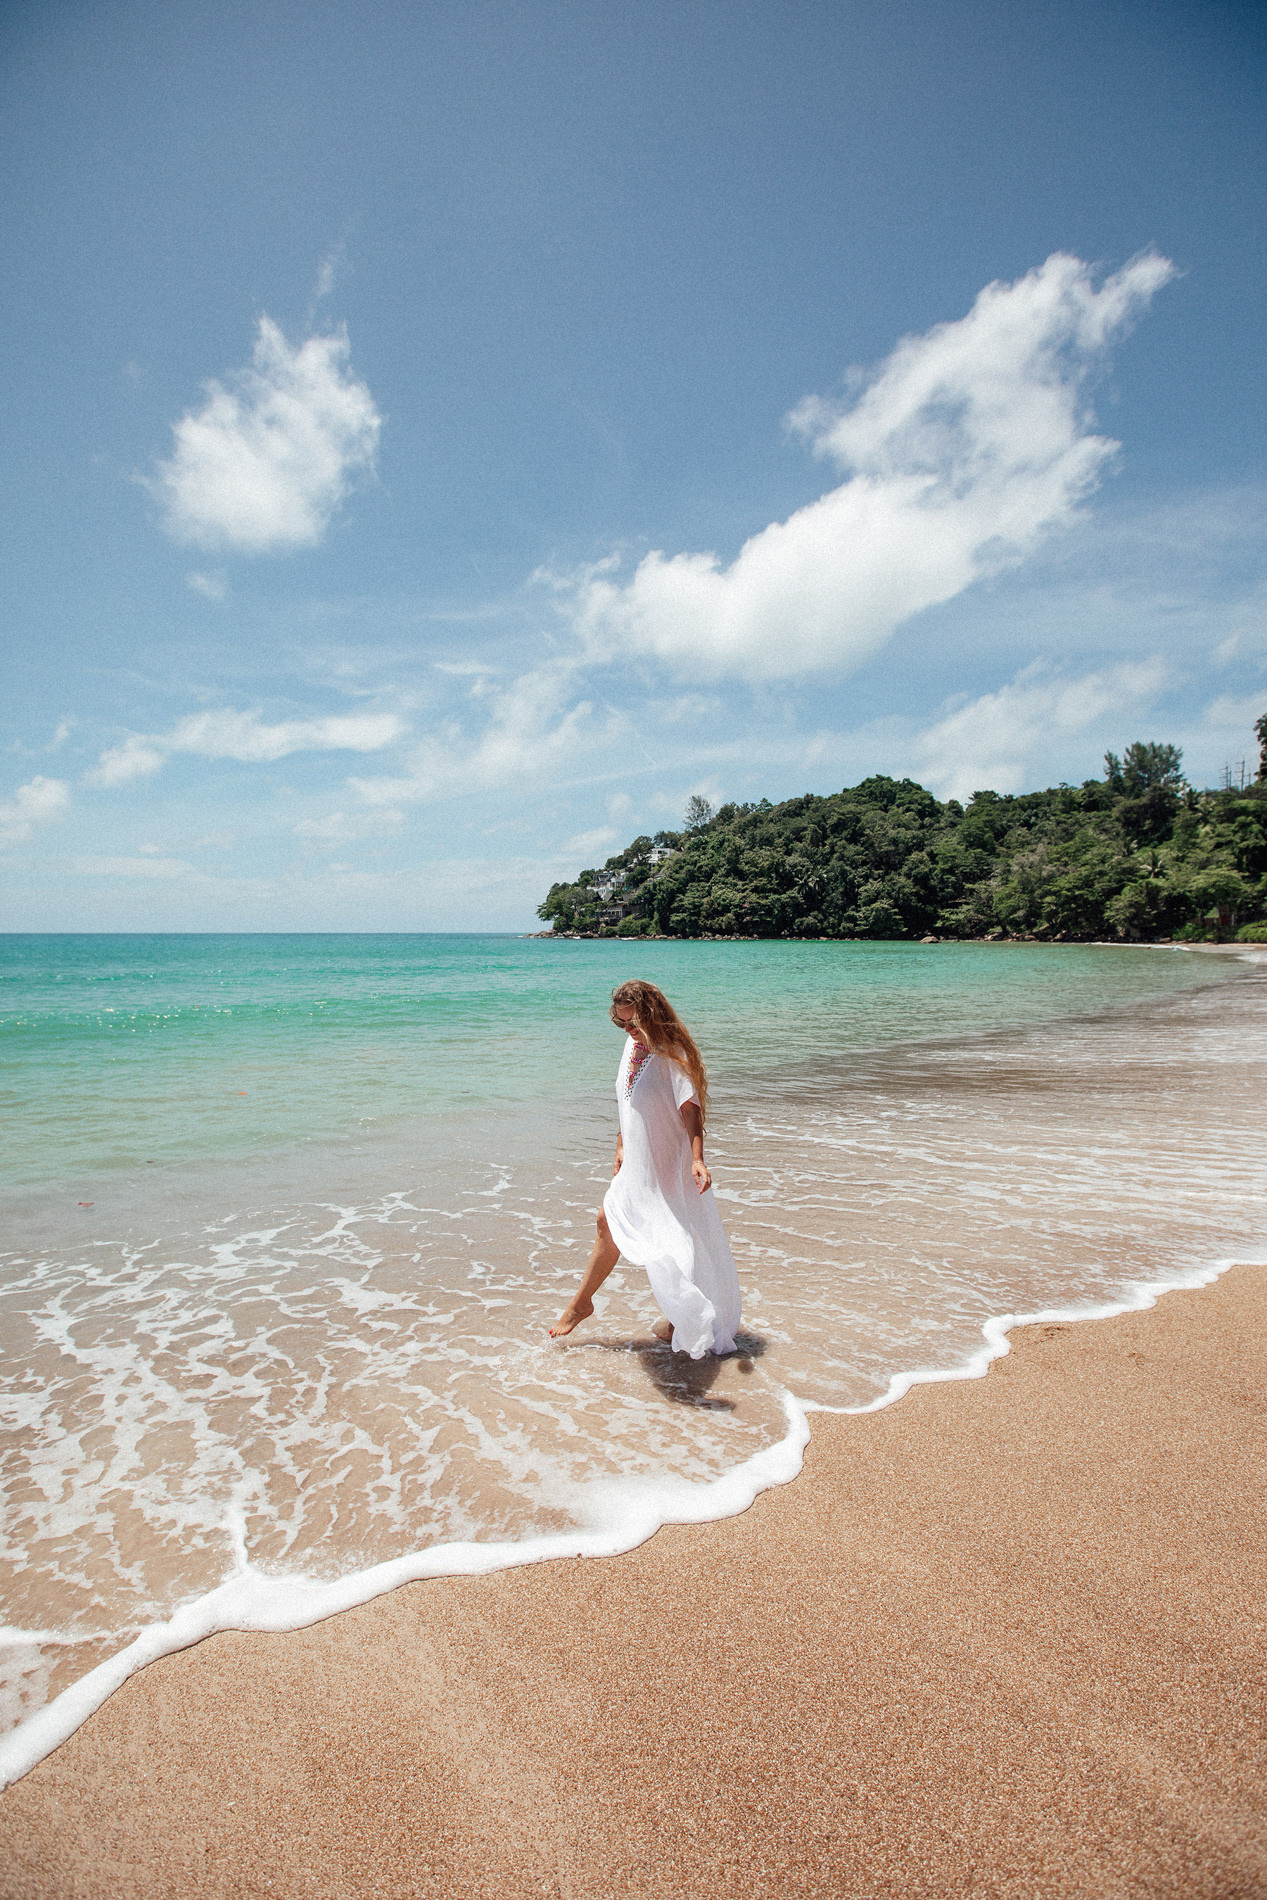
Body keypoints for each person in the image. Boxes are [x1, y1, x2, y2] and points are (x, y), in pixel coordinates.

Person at [549, 979, 742, 1358]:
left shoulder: (671, 1053)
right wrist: (621, 1144)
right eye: (622, 1024)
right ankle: (586, 1304)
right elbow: (628, 1101)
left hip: (667, 1162)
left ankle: (682, 1316)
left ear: (652, 1016)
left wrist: (698, 1158)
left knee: (674, 1236)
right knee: (611, 1220)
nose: (629, 1031)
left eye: (634, 1023)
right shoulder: (632, 1047)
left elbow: (691, 1109)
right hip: (638, 1160)